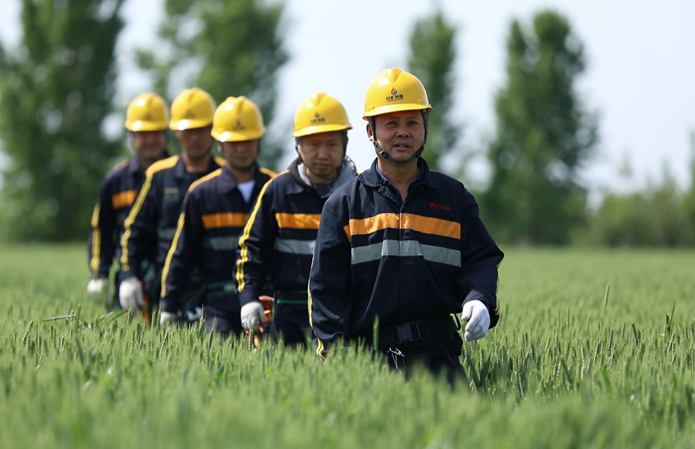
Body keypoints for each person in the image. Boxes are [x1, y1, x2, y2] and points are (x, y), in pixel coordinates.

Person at [308, 68, 504, 381]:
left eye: (412, 122)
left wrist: (480, 299)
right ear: (370, 131)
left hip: (439, 359)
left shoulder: (454, 197)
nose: (403, 132)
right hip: (368, 363)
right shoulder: (343, 206)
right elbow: (326, 292)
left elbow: (481, 259)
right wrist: (338, 361)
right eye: (391, 123)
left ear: (426, 129)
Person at [235, 93, 357, 347]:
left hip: (346, 313)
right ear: (298, 145)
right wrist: (248, 298)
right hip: (289, 317)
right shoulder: (276, 191)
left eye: (331, 144)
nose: (323, 153)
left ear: (344, 144)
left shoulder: (361, 191)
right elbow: (251, 249)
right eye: (314, 144)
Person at [160, 96, 277, 335]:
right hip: (217, 306)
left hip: (267, 302)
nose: (241, 148)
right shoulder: (201, 193)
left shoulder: (276, 188)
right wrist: (168, 305)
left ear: (259, 140)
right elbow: (182, 254)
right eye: (233, 142)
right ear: (219, 144)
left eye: (248, 140)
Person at [118, 88, 225, 322]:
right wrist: (128, 275)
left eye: (201, 129)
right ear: (176, 132)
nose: (195, 138)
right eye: (188, 131)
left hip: (216, 291)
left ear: (213, 130)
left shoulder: (226, 176)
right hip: (164, 288)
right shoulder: (158, 175)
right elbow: (134, 231)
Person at [87, 93, 170, 309]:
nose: (150, 140)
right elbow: (101, 229)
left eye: (156, 133)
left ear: (167, 134)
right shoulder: (115, 181)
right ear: (131, 136)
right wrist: (100, 273)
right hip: (130, 277)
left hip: (174, 277)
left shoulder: (181, 176)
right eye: (143, 134)